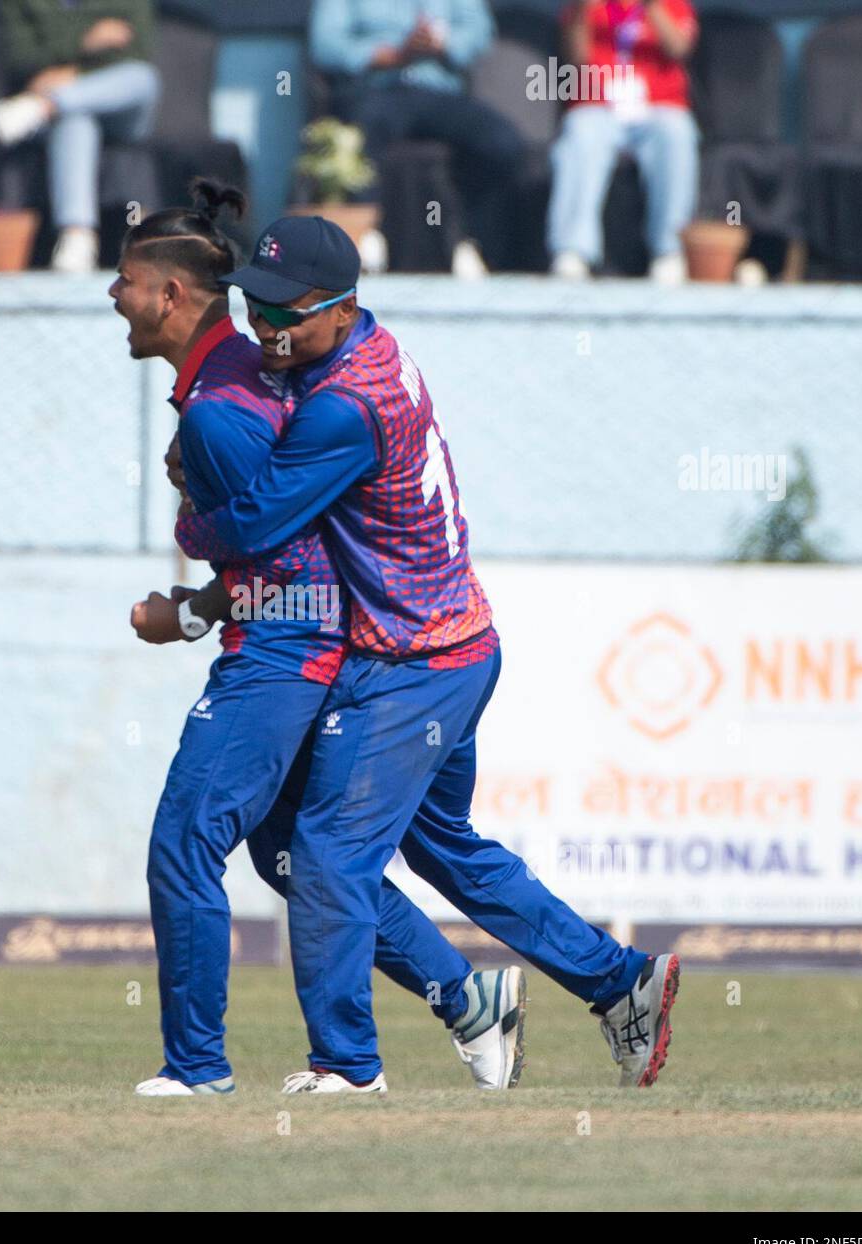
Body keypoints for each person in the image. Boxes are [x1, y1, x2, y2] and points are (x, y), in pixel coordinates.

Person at [147, 215, 680, 1093]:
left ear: (340, 306)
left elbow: (255, 523)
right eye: (254, 302)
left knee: (323, 855)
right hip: (456, 647)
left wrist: (187, 520)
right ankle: (620, 981)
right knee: (448, 851)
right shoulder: (362, 355)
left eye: (284, 313)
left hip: (411, 664)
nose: (264, 327)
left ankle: (347, 1066)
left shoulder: (342, 404)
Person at [113, 182, 527, 1096]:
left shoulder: (219, 407)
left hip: (281, 653)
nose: (114, 295)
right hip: (307, 646)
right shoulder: (233, 376)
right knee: (290, 854)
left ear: (173, 294)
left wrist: (190, 592)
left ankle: (199, 1068)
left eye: (126, 279)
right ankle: (467, 998)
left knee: (186, 841)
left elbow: (283, 549)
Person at [308, 0, 520, 278]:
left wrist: (442, 43)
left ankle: (472, 241)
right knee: (361, 136)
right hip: (374, 89)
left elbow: (479, 32)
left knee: (502, 144)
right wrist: (392, 55)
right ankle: (366, 238)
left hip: (439, 92)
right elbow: (325, 45)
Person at [0, 0, 161, 273]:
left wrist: (71, 72)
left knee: (143, 77)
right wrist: (86, 40)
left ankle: (43, 106)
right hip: (65, 111)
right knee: (75, 119)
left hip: (120, 109)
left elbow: (136, 50)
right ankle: (76, 236)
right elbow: (21, 56)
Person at [547, 0, 700, 284]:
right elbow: (575, 60)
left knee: (678, 133)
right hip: (599, 105)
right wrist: (583, 11)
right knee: (580, 132)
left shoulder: (672, 4)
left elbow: (679, 49)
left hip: (657, 107)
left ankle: (669, 250)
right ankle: (573, 250)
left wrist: (651, 6)